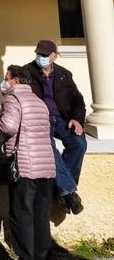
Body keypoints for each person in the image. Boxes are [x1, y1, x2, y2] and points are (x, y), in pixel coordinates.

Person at [0, 65, 55, 260]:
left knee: (21, 213)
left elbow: (9, 127)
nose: (5, 82)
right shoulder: (38, 101)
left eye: (7, 78)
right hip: (45, 165)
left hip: (24, 165)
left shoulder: (12, 98)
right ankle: (42, 258)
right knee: (40, 213)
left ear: (16, 80)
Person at [24, 40, 87, 215]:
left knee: (79, 143)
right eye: (39, 54)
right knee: (49, 149)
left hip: (61, 119)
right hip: (39, 119)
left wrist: (77, 119)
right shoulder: (26, 72)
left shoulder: (64, 74)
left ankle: (63, 190)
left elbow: (78, 101)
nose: (41, 57)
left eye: (45, 55)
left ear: (54, 56)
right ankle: (68, 192)